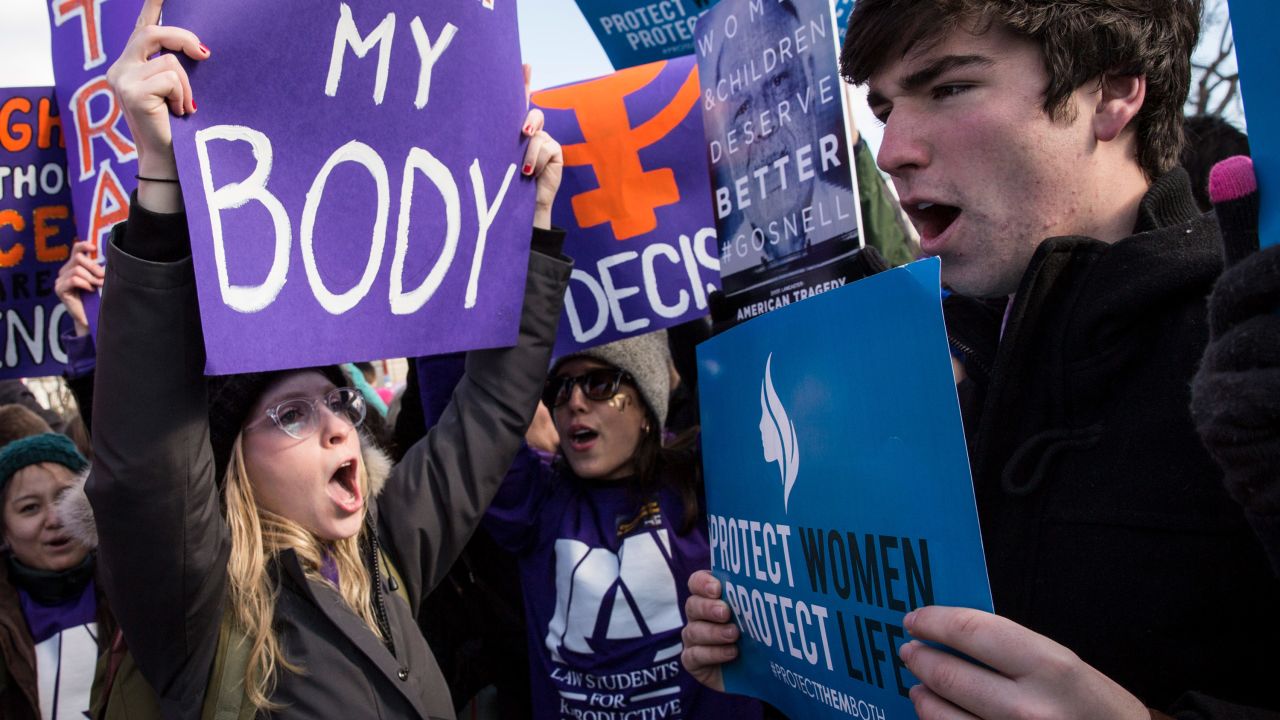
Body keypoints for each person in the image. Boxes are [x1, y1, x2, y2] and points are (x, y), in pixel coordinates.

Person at [682, 1, 1280, 718]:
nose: (892, 149)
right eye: (883, 107)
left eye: (948, 89)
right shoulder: (899, 364)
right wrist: (785, 647)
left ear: (1114, 93)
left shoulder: (1249, 356)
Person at [84, 1, 571, 717]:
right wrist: (160, 178)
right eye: (289, 414)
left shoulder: (386, 557)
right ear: (229, 460)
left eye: (335, 402)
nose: (339, 428)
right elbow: (141, 467)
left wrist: (528, 228)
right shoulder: (199, 609)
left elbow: (493, 413)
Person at [467, 331, 761, 719]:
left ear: (645, 408)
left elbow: (757, 388)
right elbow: (470, 419)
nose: (574, 402)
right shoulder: (535, 505)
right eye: (559, 387)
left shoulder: (704, 486)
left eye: (599, 383)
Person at [0, 431, 111, 720]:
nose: (55, 518)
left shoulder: (133, 590)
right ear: (5, 530)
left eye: (65, 497)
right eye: (30, 508)